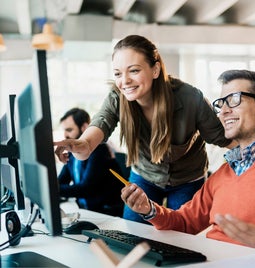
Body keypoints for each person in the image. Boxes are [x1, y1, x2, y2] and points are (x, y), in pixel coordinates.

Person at [54, 35, 234, 224]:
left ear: (155, 69)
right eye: (117, 74)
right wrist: (81, 145)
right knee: (132, 235)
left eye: (134, 71)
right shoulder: (117, 98)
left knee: (184, 241)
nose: (125, 81)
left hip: (187, 179)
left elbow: (225, 139)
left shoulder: (190, 98)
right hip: (145, 175)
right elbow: (98, 126)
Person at [120, 69, 255, 248]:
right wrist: (149, 209)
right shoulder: (222, 175)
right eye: (221, 103)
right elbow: (185, 222)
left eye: (234, 99)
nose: (223, 111)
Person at [57, 107, 124, 217]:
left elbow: (86, 188)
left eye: (69, 130)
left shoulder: (100, 150)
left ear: (84, 127)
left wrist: (53, 189)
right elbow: (62, 180)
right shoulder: (72, 154)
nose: (65, 135)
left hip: (107, 213)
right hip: (87, 212)